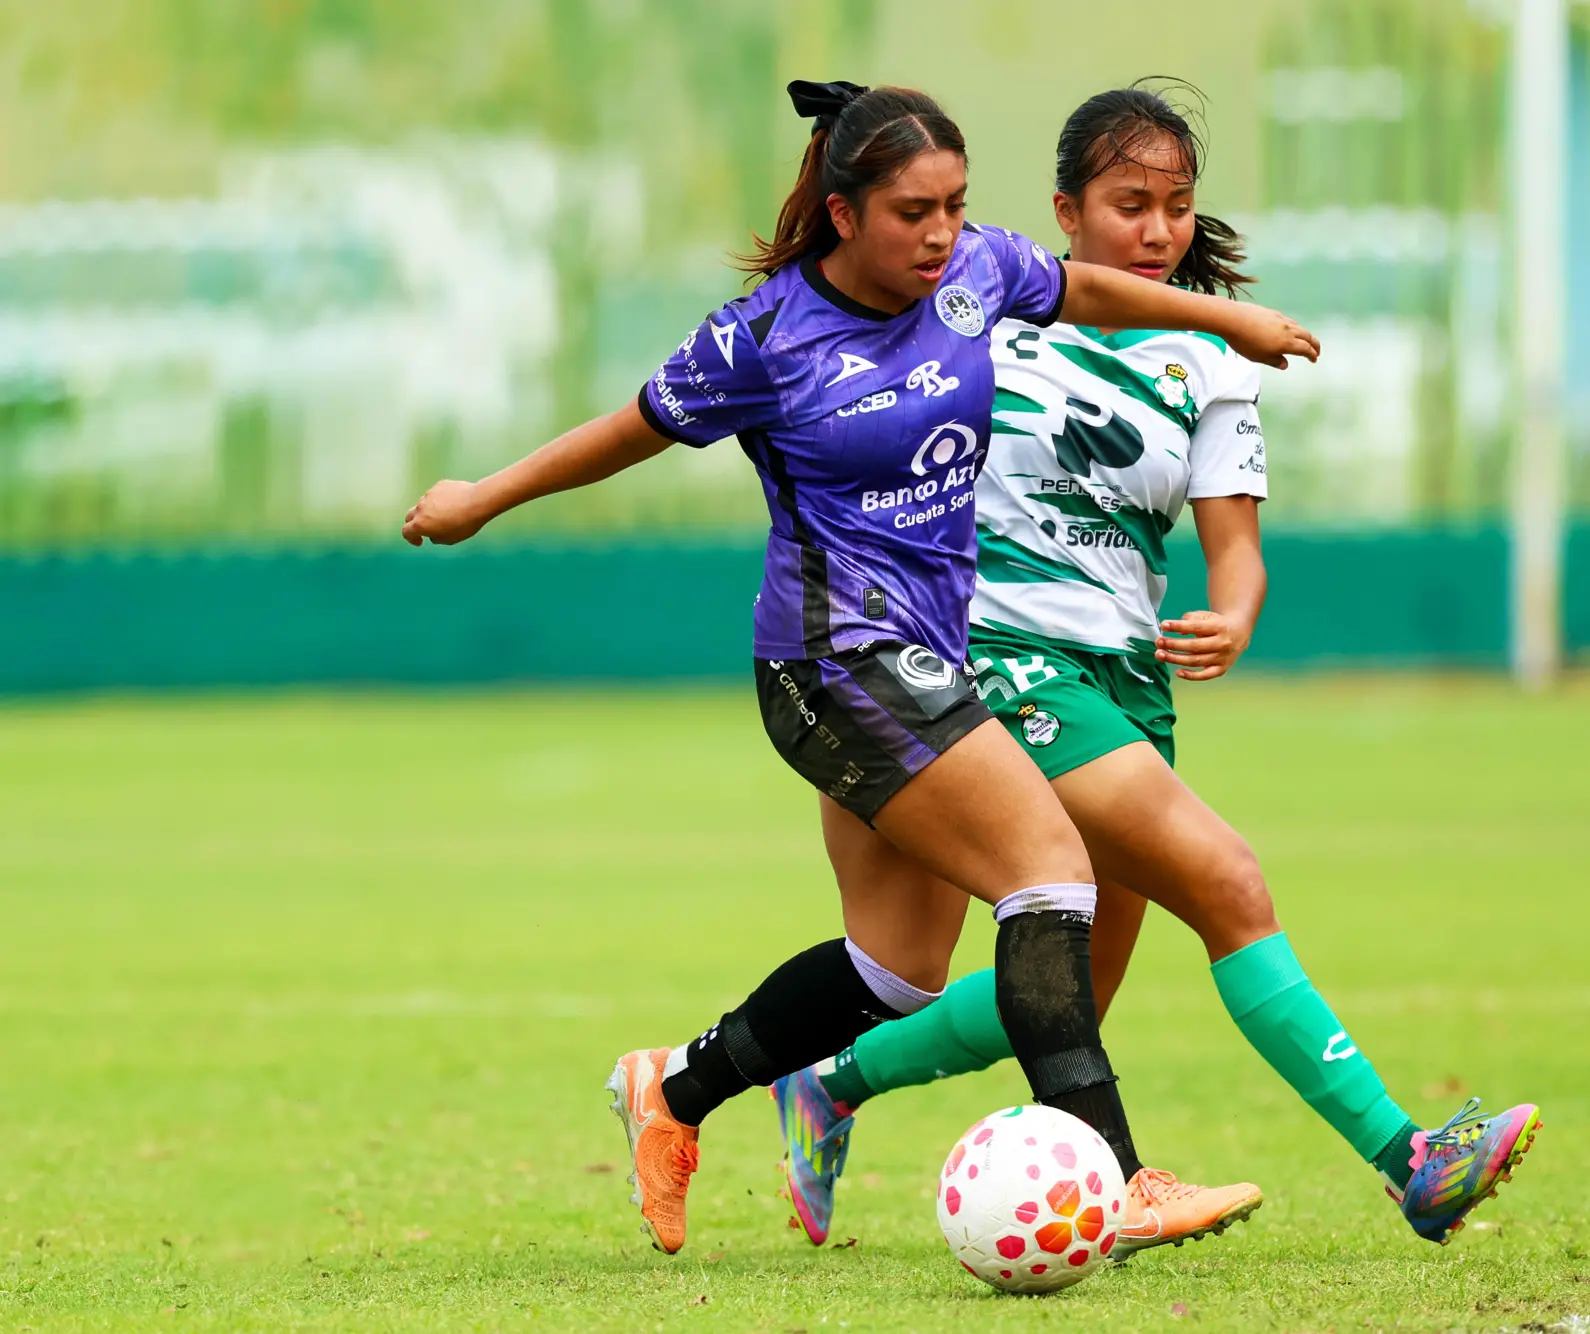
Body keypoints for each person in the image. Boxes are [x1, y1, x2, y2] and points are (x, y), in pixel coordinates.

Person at [400, 80, 1321, 1257]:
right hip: (830, 663)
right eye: (909, 213)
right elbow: (626, 429)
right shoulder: (765, 337)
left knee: (895, 970)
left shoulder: (978, 272)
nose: (939, 235)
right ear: (841, 214)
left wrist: (1221, 322)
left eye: (952, 206)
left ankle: (670, 1091)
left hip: (926, 663)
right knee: (1050, 871)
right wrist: (484, 495)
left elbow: (1079, 283)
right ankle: (1116, 1170)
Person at [771, 84, 1540, 1256]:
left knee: (1064, 984)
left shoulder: (1207, 360)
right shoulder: (977, 304)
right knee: (1230, 881)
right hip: (1002, 666)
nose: (1158, 230)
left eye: (1176, 207)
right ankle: (1409, 1160)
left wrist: (1229, 616)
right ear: (1064, 211)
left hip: (1126, 684)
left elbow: (1236, 551)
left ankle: (829, 1083)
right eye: (1129, 203)